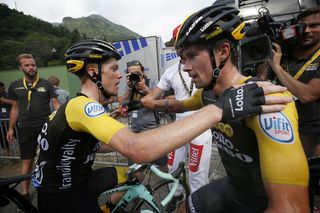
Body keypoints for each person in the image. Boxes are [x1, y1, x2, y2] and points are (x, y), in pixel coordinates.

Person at [31, 39, 291, 213]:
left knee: (134, 176)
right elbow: (137, 149)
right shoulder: (82, 106)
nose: (120, 74)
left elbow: (93, 146)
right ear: (93, 72)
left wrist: (133, 133)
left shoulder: (80, 107)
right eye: (113, 68)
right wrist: (221, 109)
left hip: (73, 179)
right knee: (136, 166)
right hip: (64, 197)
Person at [141, 5, 310, 213]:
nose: (185, 67)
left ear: (222, 51)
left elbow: (291, 208)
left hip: (261, 201)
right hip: (233, 187)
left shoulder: (267, 100)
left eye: (192, 56)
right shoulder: (208, 95)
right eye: (183, 58)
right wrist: (146, 102)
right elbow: (179, 105)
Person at [144, 25, 213, 212]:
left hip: (201, 126)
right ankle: (176, 198)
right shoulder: (170, 72)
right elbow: (152, 97)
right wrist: (144, 94)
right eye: (178, 45)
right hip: (179, 127)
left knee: (197, 174)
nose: (181, 49)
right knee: (172, 167)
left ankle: (200, 206)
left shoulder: (208, 66)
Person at [6, 54, 60, 200]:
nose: (31, 67)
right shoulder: (15, 85)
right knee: (27, 161)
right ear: (20, 68)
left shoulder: (46, 84)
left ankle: (53, 189)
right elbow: (15, 108)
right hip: (25, 128)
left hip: (46, 127)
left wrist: (59, 122)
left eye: (33, 65)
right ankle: (24, 193)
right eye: (27, 65)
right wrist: (10, 128)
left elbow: (56, 105)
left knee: (51, 159)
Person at [268, 6, 320, 158]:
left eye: (314, 26)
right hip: (278, 126)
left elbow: (308, 95)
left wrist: (277, 68)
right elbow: (262, 79)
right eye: (302, 26)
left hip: (310, 133)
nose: (307, 31)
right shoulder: (284, 52)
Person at [123, 60, 167, 170]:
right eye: (131, 74)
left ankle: (169, 185)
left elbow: (161, 100)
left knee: (163, 166)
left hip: (152, 132)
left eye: (137, 73)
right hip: (135, 133)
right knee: (134, 169)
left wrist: (145, 88)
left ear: (142, 71)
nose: (135, 76)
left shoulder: (151, 82)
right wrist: (129, 88)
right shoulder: (129, 86)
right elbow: (123, 103)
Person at [0, 81, 13, 151]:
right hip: (1, 125)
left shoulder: (7, 95)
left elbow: (14, 103)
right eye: (0, 89)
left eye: (3, 88)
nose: (2, 90)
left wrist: (4, 100)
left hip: (11, 122)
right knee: (4, 142)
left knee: (20, 138)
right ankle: (9, 156)